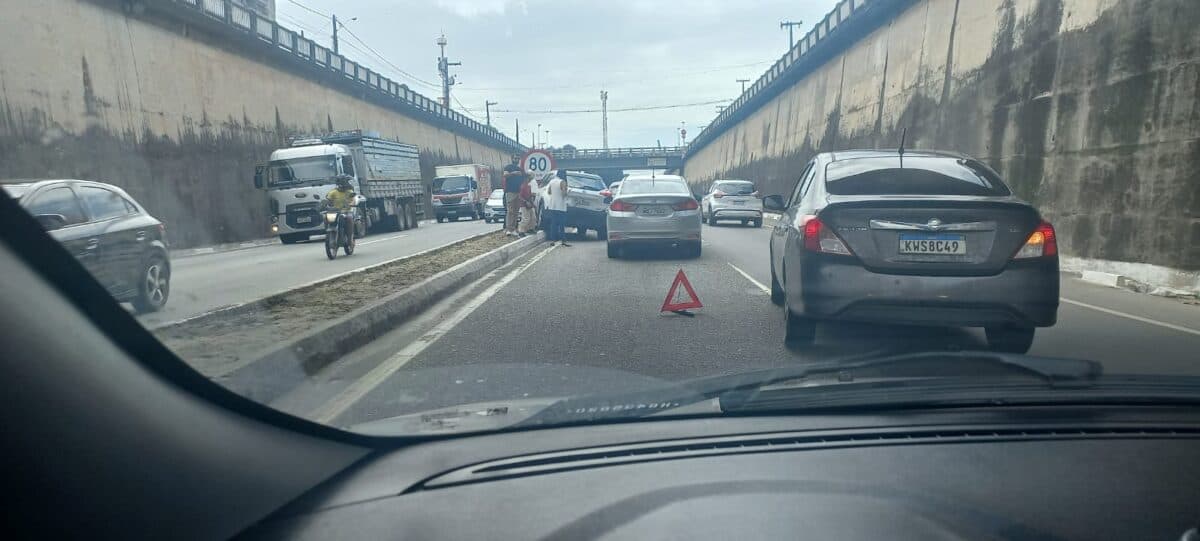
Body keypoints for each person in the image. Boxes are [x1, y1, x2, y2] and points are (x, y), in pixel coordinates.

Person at [543, 169, 570, 247]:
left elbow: (549, 192)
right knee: (562, 224)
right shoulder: (562, 182)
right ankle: (563, 240)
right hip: (561, 206)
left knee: (553, 224)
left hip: (552, 205)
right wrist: (568, 191)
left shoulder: (552, 181)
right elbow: (564, 194)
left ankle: (553, 240)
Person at [501, 156, 526, 236]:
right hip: (510, 192)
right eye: (515, 158)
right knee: (510, 211)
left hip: (518, 192)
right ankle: (508, 229)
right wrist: (513, 173)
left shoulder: (520, 169)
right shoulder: (508, 167)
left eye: (518, 158)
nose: (516, 160)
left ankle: (513, 228)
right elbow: (505, 175)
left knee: (516, 212)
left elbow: (525, 179)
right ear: (512, 159)